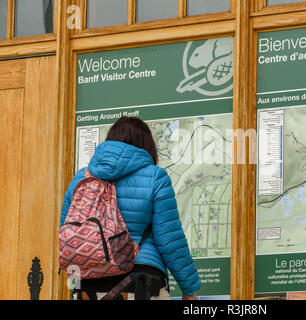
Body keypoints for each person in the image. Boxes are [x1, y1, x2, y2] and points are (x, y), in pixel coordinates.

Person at [60, 116, 201, 300]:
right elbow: (169, 238)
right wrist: (189, 288)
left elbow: (66, 232)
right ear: (147, 144)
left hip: (88, 288)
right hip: (141, 284)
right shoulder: (155, 177)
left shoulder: (81, 178)